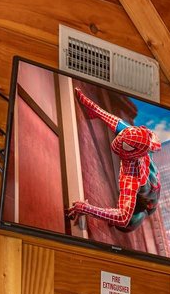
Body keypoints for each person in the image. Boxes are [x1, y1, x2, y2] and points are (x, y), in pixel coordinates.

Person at [66, 87, 161, 231]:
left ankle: (135, 211)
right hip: (151, 180)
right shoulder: (146, 140)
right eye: (123, 135)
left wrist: (87, 208)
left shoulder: (132, 178)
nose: (119, 139)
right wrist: (93, 108)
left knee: (126, 225)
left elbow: (123, 218)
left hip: (145, 204)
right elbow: (118, 124)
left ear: (133, 153)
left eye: (125, 145)